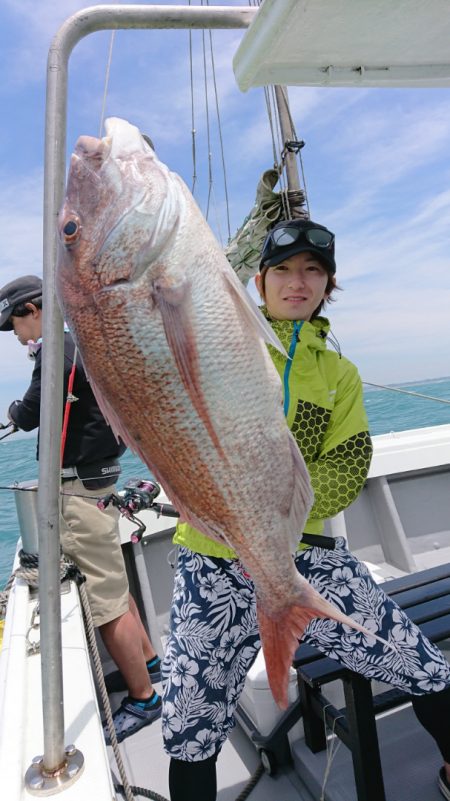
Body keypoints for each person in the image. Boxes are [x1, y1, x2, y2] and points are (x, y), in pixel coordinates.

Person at [160, 219, 450, 801]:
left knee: (426, 668)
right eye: (284, 270)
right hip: (211, 560)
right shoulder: (219, 345)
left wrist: (262, 503)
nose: (299, 281)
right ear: (258, 279)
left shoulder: (338, 375)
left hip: (309, 560)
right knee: (188, 728)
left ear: (328, 284)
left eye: (313, 270)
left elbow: (346, 469)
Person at [0, 274, 162, 744]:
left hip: (77, 492)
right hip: (99, 481)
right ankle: (149, 662)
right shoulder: (80, 346)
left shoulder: (58, 351)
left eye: (15, 325)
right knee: (115, 586)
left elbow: (30, 412)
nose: (17, 336)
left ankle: (145, 698)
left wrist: (13, 411)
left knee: (107, 605)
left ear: (33, 309)